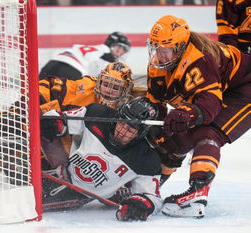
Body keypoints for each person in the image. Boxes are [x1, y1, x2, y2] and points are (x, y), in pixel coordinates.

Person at [146, 14, 251, 218]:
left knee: (208, 133)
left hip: (244, 91)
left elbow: (209, 105)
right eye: (156, 47)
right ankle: (148, 186)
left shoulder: (199, 59)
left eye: (165, 50)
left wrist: (186, 113)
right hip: (224, 89)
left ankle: (196, 195)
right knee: (174, 140)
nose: (160, 54)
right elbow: (155, 102)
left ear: (181, 46)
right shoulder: (160, 63)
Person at [41, 97, 163, 221]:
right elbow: (64, 119)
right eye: (122, 123)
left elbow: (153, 198)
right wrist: (54, 121)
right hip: (63, 167)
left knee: (32, 201)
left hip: (80, 192)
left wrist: (140, 205)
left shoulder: (146, 158)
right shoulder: (97, 113)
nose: (121, 131)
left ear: (141, 133)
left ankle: (121, 193)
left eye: (130, 130)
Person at [39, 32, 131, 80]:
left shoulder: (95, 49)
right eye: (120, 49)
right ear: (112, 46)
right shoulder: (107, 58)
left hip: (53, 62)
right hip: (72, 70)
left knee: (40, 93)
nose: (120, 53)